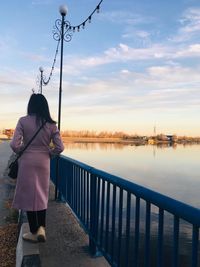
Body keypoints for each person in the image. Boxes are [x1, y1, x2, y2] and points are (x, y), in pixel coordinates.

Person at [10, 93, 64, 243]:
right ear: (45, 106)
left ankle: (34, 231)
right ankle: (42, 228)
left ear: (30, 105)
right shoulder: (51, 124)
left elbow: (14, 145)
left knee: (28, 194)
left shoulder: (23, 121)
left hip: (27, 161)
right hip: (43, 162)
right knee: (41, 193)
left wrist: (22, 149)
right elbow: (60, 147)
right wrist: (49, 153)